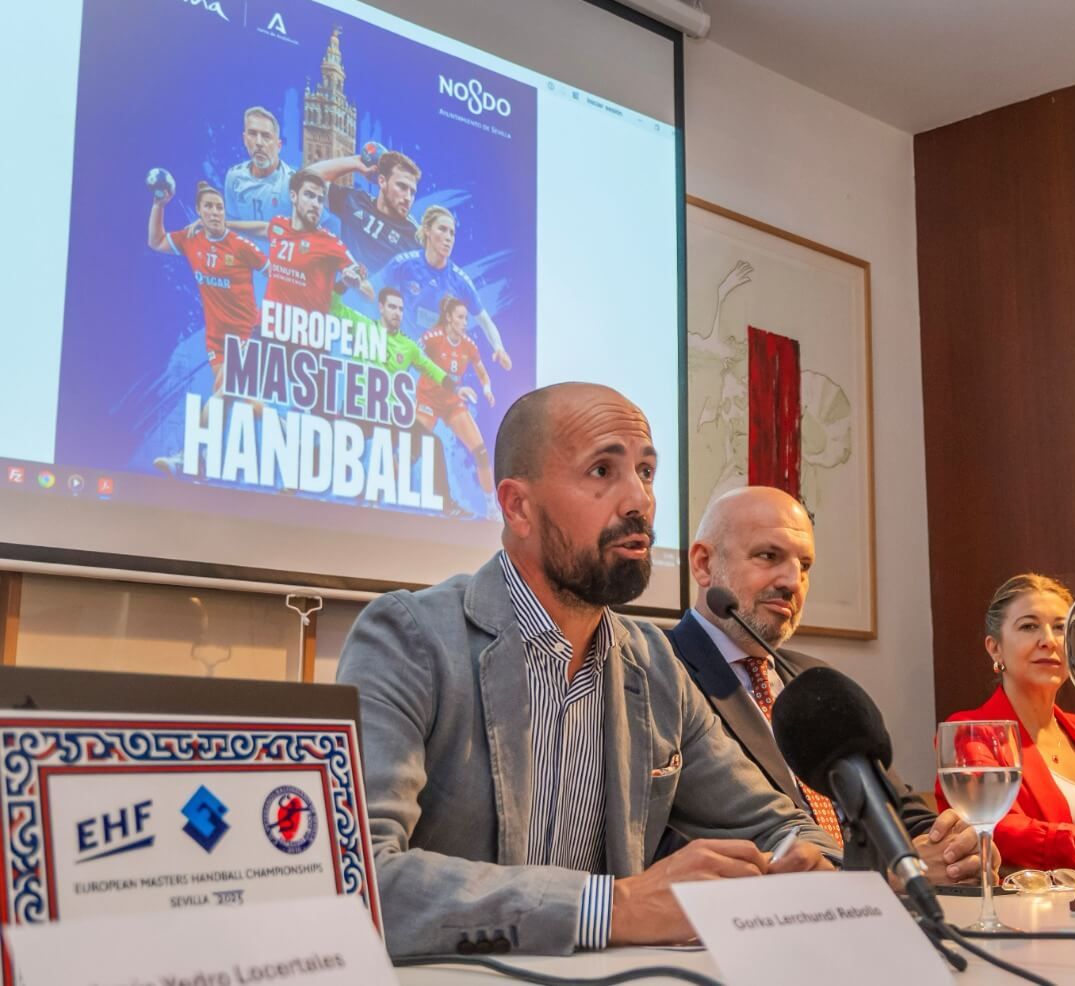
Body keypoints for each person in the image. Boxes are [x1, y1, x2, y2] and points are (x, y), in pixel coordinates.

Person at [336, 383, 834, 959]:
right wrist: (611, 907)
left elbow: (774, 825)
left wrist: (809, 859)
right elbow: (360, 878)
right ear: (518, 506)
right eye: (603, 470)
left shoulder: (655, 665)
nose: (639, 502)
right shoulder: (408, 638)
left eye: (646, 472)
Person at [668, 485, 983, 883]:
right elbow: (697, 836)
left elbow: (894, 806)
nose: (792, 581)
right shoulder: (661, 670)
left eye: (804, 566)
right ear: (703, 564)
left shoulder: (813, 679)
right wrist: (889, 876)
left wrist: (954, 847)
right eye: (768, 556)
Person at [936, 573, 1075, 871]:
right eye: (1029, 627)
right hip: (1035, 908)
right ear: (995, 648)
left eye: (1060, 628)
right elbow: (1002, 831)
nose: (1049, 641)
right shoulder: (972, 731)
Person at [146, 178, 265, 391]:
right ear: (198, 211)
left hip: (245, 334)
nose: (215, 212)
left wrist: (266, 312)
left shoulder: (241, 246)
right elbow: (156, 241)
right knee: (232, 399)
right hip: (216, 339)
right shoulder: (191, 239)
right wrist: (158, 205)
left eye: (220, 207)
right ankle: (281, 423)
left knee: (221, 393)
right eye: (208, 206)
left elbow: (276, 273)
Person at [374, 205, 511, 369]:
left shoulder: (460, 281)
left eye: (452, 233)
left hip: (434, 365)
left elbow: (485, 320)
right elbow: (370, 292)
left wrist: (499, 348)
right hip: (399, 352)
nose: (448, 237)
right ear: (427, 231)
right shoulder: (403, 263)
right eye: (443, 229)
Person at [417, 295, 495, 502]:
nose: (465, 323)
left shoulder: (469, 345)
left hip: (453, 403)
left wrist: (487, 389)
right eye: (460, 317)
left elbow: (482, 373)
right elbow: (414, 357)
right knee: (412, 449)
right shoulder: (432, 337)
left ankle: (491, 507)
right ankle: (375, 499)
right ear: (449, 317)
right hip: (428, 401)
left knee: (481, 453)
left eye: (467, 319)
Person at [303, 144, 423, 275]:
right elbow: (304, 179)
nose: (408, 197)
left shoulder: (415, 238)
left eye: (412, 192)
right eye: (402, 187)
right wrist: (355, 163)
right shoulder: (354, 200)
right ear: (382, 182)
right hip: (337, 290)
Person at [262, 171, 364, 318]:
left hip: (304, 337)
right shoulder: (278, 224)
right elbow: (265, 228)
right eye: (309, 195)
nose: (316, 204)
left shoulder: (329, 242)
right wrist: (227, 225)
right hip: (265, 328)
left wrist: (354, 279)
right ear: (293, 196)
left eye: (320, 199)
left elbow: (358, 272)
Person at [222, 106, 295, 237]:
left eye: (266, 136)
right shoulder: (234, 177)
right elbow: (232, 227)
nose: (259, 142)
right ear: (244, 139)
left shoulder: (294, 183)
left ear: (279, 146)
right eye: (252, 134)